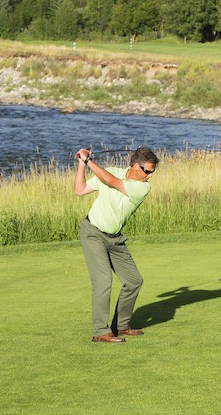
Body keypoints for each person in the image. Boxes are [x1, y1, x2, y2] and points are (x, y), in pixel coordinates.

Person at [74, 146, 159, 343]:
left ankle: (121, 326)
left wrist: (89, 161)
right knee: (103, 281)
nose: (150, 176)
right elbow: (79, 190)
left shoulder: (142, 187)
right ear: (135, 166)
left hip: (115, 238)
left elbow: (111, 181)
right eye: (147, 171)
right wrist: (81, 165)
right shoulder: (111, 171)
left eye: (152, 172)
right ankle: (101, 331)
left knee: (134, 280)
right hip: (93, 233)